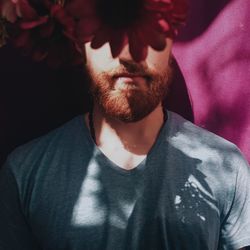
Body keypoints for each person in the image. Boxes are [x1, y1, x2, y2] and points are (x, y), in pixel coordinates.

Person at [0, 0, 250, 250]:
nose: (128, 53)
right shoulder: (25, 174)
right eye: (106, 30)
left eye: (150, 32)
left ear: (172, 40)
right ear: (79, 44)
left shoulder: (227, 169)